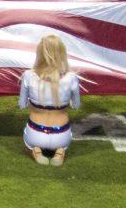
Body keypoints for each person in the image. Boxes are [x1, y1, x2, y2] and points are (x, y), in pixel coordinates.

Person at [18, 34, 82, 166]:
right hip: (62, 135)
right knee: (64, 140)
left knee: (28, 136)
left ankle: (36, 150)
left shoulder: (28, 76)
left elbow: (21, 104)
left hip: (34, 134)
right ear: (62, 53)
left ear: (39, 53)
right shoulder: (72, 78)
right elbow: (76, 105)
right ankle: (59, 152)